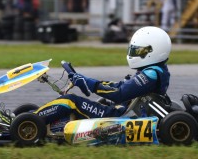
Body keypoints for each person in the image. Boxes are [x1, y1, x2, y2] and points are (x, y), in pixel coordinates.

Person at [32, 26, 172, 125]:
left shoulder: (151, 74)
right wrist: (88, 81)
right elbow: (121, 86)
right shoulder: (154, 70)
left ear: (154, 51)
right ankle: (32, 117)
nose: (134, 54)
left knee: (69, 101)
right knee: (74, 101)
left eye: (138, 50)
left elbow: (120, 93)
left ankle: (30, 121)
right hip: (120, 110)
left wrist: (89, 84)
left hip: (117, 116)